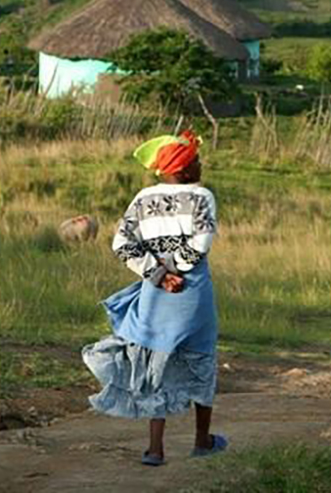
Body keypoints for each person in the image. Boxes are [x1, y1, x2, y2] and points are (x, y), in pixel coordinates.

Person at [82, 130, 226, 466]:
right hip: (192, 295)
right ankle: (202, 440)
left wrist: (159, 275)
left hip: (155, 294)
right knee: (201, 358)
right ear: (186, 169)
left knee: (155, 363)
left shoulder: (143, 199)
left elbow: (122, 244)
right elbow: (201, 243)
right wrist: (176, 272)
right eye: (197, 160)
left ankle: (155, 449)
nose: (201, 165)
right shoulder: (202, 196)